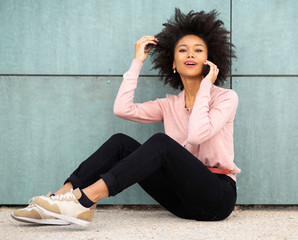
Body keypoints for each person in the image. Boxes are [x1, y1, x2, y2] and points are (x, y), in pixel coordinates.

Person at [11, 8, 240, 227]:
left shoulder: (226, 98)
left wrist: (205, 88)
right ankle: (57, 201)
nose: (190, 53)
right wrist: (137, 61)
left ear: (210, 61)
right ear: (172, 63)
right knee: (120, 142)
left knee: (162, 143)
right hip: (180, 200)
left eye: (198, 50)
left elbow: (197, 134)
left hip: (216, 197)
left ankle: (83, 202)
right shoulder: (169, 104)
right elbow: (123, 109)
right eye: (182, 50)